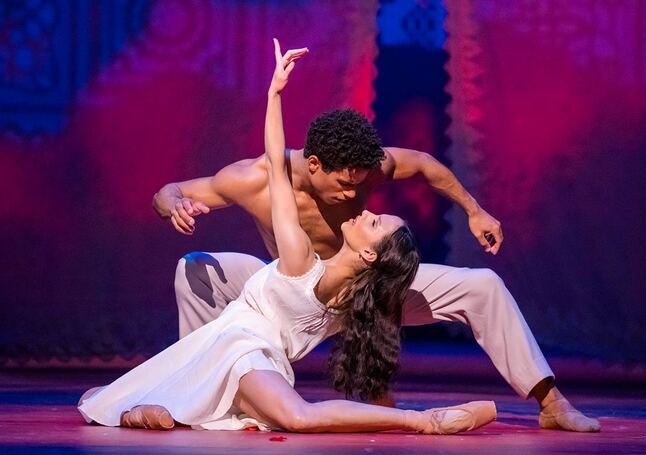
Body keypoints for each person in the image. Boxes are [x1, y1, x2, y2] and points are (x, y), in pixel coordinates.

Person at [153, 46, 600, 433]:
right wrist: (174, 204)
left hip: (364, 286)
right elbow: (171, 191)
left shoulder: (367, 169)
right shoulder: (253, 179)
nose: (354, 195)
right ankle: (196, 387)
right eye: (344, 185)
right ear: (313, 164)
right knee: (194, 266)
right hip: (291, 295)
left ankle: (551, 403)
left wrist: (473, 209)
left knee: (483, 284)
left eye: (360, 184)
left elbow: (425, 164)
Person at [77, 39, 497, 434]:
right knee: (297, 417)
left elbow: (374, 316)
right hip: (238, 344)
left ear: (369, 254)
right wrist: (274, 94)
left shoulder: (353, 296)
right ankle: (423, 421)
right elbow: (277, 168)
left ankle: (139, 409)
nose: (363, 208)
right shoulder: (299, 258)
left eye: (373, 222)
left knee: (273, 413)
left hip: (267, 360)